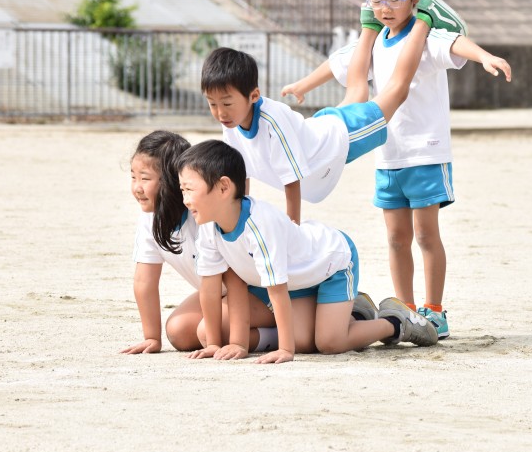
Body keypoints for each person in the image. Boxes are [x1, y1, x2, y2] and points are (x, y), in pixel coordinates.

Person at [280, 0, 513, 341]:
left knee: (426, 235)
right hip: (388, 156)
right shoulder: (374, 44)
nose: (385, 8)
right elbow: (339, 62)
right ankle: (406, 309)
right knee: (395, 238)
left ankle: (434, 310)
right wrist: (302, 86)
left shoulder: (427, 36)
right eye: (376, 1)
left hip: (426, 151)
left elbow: (456, 45)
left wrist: (485, 56)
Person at [178, 140, 439, 364]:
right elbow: (214, 288)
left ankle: (396, 321)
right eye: (182, 191)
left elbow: (277, 290)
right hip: (296, 280)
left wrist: (285, 349)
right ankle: (354, 311)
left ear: (224, 188)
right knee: (305, 338)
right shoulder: (210, 227)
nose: (184, 199)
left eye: (189, 189)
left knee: (329, 342)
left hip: (331, 264)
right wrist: (217, 343)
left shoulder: (258, 225)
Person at [201, 37, 436, 224]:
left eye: (227, 103)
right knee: (356, 90)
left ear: (254, 96)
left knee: (397, 90)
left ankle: (422, 24)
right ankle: (368, 29)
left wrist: (293, 230)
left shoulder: (272, 123)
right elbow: (240, 174)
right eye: (212, 104)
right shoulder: (231, 124)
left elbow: (291, 182)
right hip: (317, 129)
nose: (220, 113)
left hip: (339, 139)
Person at [120, 130, 278, 357]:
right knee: (179, 333)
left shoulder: (203, 214)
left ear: (175, 182)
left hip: (258, 290)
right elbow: (144, 281)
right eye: (133, 177)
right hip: (217, 293)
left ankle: (281, 334)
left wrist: (237, 342)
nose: (137, 187)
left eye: (145, 178)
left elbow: (236, 281)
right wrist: (151, 337)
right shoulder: (150, 219)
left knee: (206, 333)